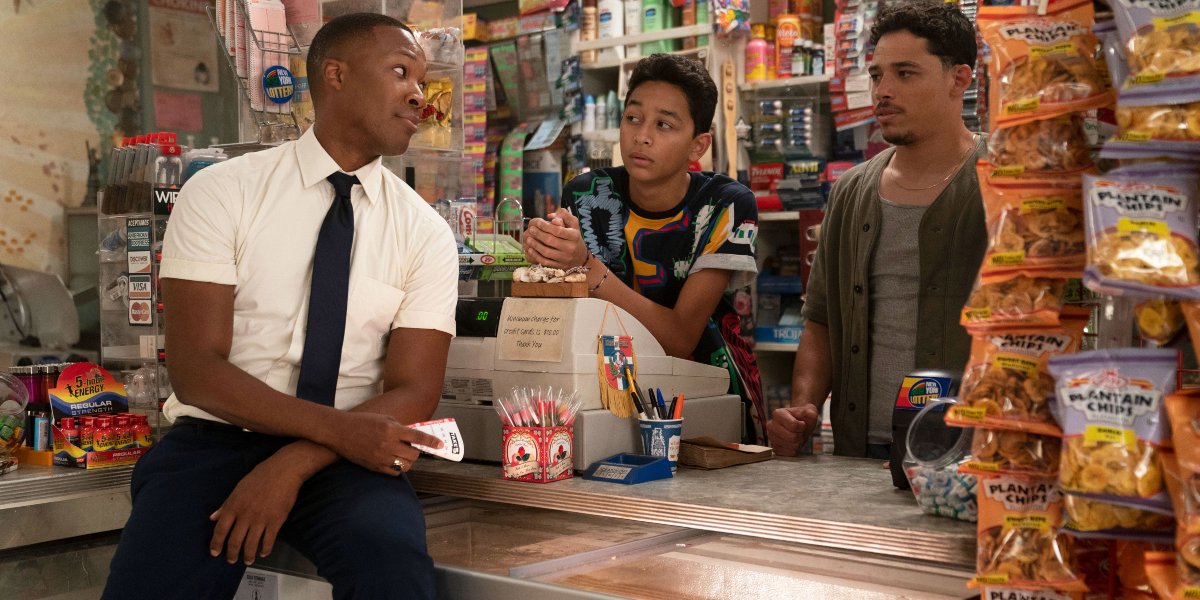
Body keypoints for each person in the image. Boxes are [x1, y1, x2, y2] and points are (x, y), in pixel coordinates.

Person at [102, 13, 458, 600]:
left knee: (392, 571)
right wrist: (333, 434)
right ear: (335, 75)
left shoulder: (424, 232)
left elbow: (415, 389)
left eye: (422, 80)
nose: (420, 95)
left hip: (344, 460)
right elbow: (197, 372)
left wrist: (292, 464)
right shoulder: (223, 192)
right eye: (401, 72)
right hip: (217, 441)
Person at [767, 1, 987, 459]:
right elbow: (821, 322)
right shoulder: (851, 192)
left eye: (905, 74)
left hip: (968, 455)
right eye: (876, 75)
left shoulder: (1000, 182)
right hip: (858, 449)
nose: (883, 91)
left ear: (959, 79)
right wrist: (803, 408)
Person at [524, 53, 766, 442]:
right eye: (633, 118)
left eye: (664, 124)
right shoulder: (587, 193)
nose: (642, 136)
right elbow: (568, 310)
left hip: (704, 394)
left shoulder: (725, 205)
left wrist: (587, 269)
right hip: (604, 389)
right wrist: (543, 255)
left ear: (698, 145)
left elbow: (681, 337)